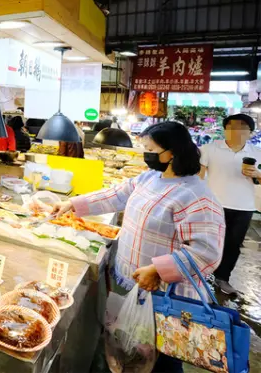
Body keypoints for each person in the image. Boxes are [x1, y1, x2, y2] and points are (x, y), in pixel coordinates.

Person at [53, 121, 224, 373]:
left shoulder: (196, 197)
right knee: (133, 350)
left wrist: (157, 270)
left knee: (163, 358)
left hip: (166, 295)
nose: (146, 154)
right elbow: (116, 195)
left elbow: (206, 252)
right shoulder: (150, 178)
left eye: (151, 150)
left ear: (172, 152)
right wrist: (74, 204)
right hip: (132, 284)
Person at [199, 113, 261, 295]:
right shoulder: (209, 149)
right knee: (208, 242)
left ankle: (222, 278)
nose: (236, 132)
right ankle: (201, 275)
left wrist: (257, 175)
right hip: (213, 204)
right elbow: (198, 177)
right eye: (232, 127)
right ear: (225, 129)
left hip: (244, 206)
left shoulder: (257, 153)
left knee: (233, 245)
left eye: (243, 129)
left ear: (250, 132)